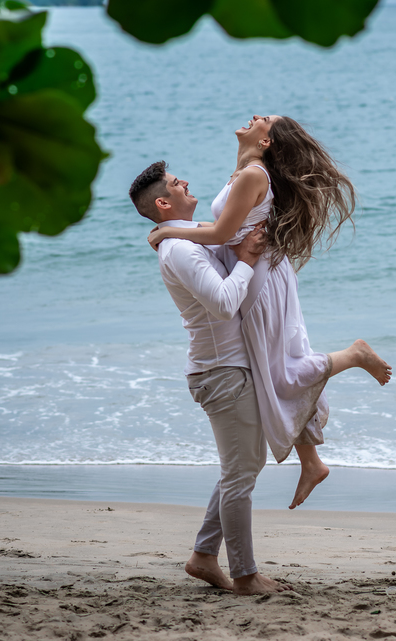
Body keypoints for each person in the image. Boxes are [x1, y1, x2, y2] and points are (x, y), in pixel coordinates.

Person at [146, 116, 392, 510]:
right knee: (276, 367)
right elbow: (226, 225)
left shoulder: (252, 174)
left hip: (259, 277)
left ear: (266, 142)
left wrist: (169, 231)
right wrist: (179, 230)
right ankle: (311, 461)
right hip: (262, 272)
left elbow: (222, 235)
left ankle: (352, 356)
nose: (257, 117)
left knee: (278, 371)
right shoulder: (245, 169)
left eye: (266, 121)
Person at [127, 161, 287, 595]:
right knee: (240, 475)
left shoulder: (182, 237)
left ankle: (202, 556)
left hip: (226, 367)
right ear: (163, 202)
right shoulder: (179, 249)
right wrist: (248, 262)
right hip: (220, 372)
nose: (186, 183)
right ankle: (246, 574)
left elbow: (219, 227)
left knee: (243, 468)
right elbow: (222, 303)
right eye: (178, 183)